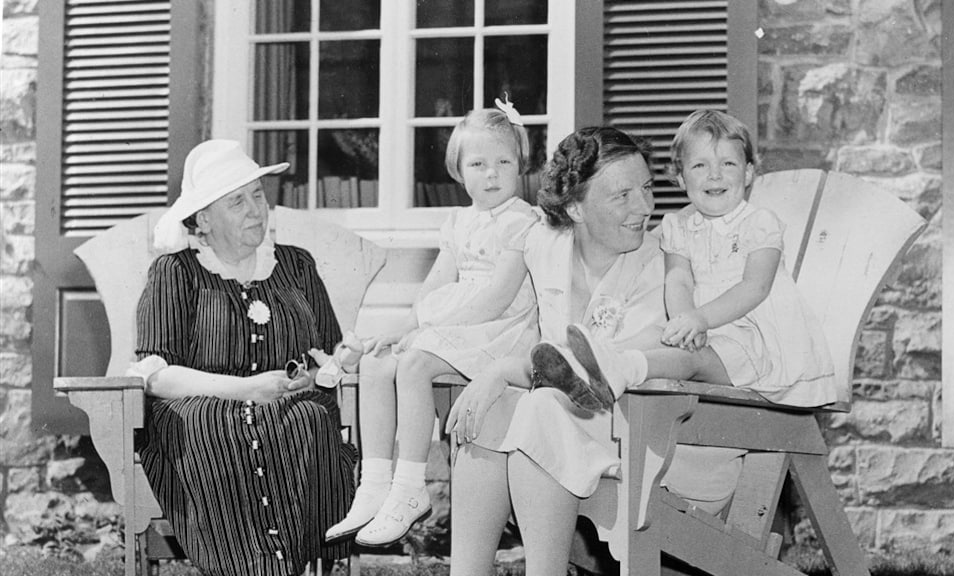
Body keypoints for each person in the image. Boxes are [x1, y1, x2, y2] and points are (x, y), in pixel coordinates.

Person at [444, 126, 751, 576]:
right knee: (495, 410)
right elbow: (506, 321)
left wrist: (499, 372)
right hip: (582, 432)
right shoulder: (543, 246)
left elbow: (597, 373)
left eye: (646, 189)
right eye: (622, 195)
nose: (645, 207)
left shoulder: (664, 265)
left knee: (540, 404)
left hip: (670, 442)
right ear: (574, 208)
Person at [129, 139, 360, 576]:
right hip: (198, 413)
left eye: (258, 195)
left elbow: (324, 356)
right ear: (203, 219)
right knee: (212, 427)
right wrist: (248, 389)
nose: (256, 209)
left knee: (309, 421)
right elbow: (156, 375)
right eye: (238, 201)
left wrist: (325, 369)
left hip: (291, 405)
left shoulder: (295, 266)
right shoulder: (176, 273)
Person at [325, 101, 539, 547]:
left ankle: (410, 486)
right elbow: (436, 283)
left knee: (416, 364)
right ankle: (375, 482)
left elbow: (496, 299)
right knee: (379, 363)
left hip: (500, 330)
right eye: (478, 164)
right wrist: (404, 327)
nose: (492, 174)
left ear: (521, 165)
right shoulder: (458, 220)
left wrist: (428, 329)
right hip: (460, 326)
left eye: (504, 162)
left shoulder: (523, 221)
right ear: (459, 170)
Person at [536, 108, 837, 411]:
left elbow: (755, 287)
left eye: (728, 163)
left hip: (757, 344)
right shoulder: (678, 228)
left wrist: (699, 319)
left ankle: (619, 369)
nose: (715, 175)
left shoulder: (759, 224)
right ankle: (597, 364)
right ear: (681, 178)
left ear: (747, 173)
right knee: (676, 348)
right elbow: (678, 278)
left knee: (689, 359)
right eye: (700, 166)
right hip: (709, 335)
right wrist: (684, 321)